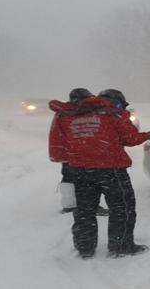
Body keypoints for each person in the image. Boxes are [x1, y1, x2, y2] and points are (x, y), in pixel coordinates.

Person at [49, 89, 150, 259]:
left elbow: (58, 145)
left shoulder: (66, 115)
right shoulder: (113, 113)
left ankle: (85, 247)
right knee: (122, 208)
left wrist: (71, 161)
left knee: (85, 210)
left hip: (80, 170)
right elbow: (130, 139)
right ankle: (121, 245)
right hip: (111, 170)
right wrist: (148, 135)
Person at [49, 88, 108, 216]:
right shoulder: (88, 111)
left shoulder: (62, 112)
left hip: (67, 152)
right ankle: (91, 206)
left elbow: (58, 134)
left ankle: (69, 205)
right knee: (88, 180)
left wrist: (61, 153)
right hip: (85, 152)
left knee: (68, 177)